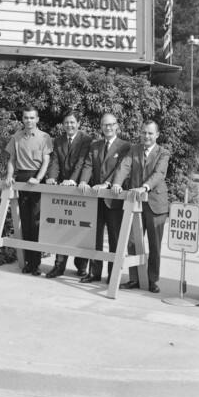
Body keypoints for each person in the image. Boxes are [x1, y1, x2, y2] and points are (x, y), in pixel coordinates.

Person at [111, 120, 170, 294]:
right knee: (132, 242)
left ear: (157, 135)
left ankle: (152, 280)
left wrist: (144, 187)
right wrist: (117, 183)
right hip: (136, 202)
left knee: (154, 245)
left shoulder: (163, 153)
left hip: (155, 203)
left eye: (150, 133)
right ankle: (134, 279)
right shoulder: (134, 149)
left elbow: (159, 173)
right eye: (144, 132)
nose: (146, 136)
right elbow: (124, 167)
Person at [77, 113, 131, 284]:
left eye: (111, 124)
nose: (108, 128)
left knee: (115, 239)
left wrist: (107, 184)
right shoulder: (95, 145)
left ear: (117, 126)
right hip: (95, 199)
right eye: (104, 125)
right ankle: (94, 272)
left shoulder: (125, 146)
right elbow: (88, 165)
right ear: (101, 127)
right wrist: (84, 181)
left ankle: (112, 275)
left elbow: (121, 170)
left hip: (113, 199)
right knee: (94, 237)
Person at [4, 106, 52, 276]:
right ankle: (27, 263)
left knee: (37, 223)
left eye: (32, 118)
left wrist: (38, 178)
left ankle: (36, 264)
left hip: (37, 180)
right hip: (21, 179)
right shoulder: (16, 137)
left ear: (37, 119)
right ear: (22, 119)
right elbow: (12, 159)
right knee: (25, 223)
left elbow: (46, 162)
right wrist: (10, 175)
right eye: (26, 118)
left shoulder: (45, 137)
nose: (29, 121)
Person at [45, 110, 92, 279]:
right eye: (66, 122)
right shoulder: (58, 140)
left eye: (72, 122)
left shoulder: (86, 139)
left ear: (78, 123)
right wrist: (51, 178)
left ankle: (81, 267)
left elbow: (82, 162)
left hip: (80, 188)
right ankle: (59, 266)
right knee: (61, 227)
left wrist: (73, 180)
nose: (69, 125)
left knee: (81, 229)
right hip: (63, 190)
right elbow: (55, 161)